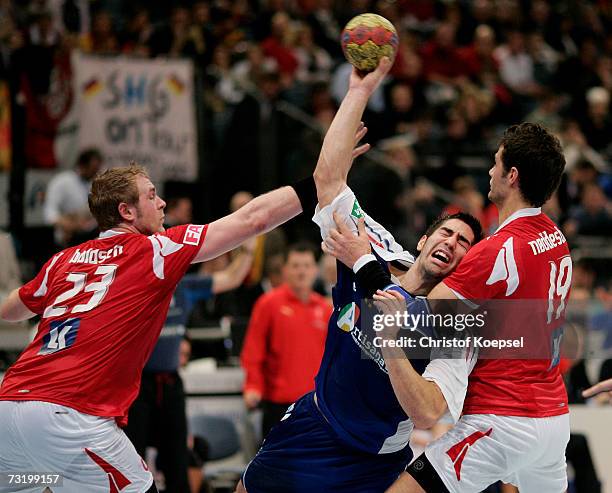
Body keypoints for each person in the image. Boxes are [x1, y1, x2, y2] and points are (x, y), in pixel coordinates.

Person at [235, 58, 482, 493]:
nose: (453, 243)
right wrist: (358, 91)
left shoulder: (452, 319)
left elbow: (430, 413)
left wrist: (364, 266)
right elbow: (328, 179)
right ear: (424, 241)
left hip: (373, 455)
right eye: (447, 232)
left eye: (465, 244)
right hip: (315, 422)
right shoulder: (382, 247)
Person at [0, 160, 320, 492]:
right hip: (73, 416)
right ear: (126, 211)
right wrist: (316, 185)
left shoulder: (61, 260)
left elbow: (11, 310)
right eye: (152, 196)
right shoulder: (153, 250)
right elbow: (253, 219)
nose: (162, 202)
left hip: (9, 409)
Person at [326, 122, 570, 493]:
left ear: (513, 176)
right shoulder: (555, 238)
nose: (490, 171)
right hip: (554, 421)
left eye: (496, 162)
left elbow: (417, 315)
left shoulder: (494, 253)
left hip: (501, 420)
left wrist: (365, 263)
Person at [125, 237, 256, 493]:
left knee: (178, 460)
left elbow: (231, 278)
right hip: (136, 386)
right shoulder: (135, 285)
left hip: (171, 383)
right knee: (132, 461)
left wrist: (249, 249)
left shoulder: (184, 286)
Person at [240, 242, 332, 440]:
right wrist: (252, 386)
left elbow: (333, 358)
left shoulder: (325, 309)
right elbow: (253, 350)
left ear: (315, 270)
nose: (301, 272)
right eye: (296, 266)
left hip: (316, 406)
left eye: (307, 266)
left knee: (312, 466)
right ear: (285, 270)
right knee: (277, 468)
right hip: (278, 405)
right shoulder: (268, 304)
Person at [43, 148, 102, 246]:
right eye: (93, 170)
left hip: (88, 238)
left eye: (97, 170)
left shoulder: (94, 184)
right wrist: (70, 225)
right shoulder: (62, 181)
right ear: (82, 166)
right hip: (65, 239)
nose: (95, 174)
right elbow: (50, 214)